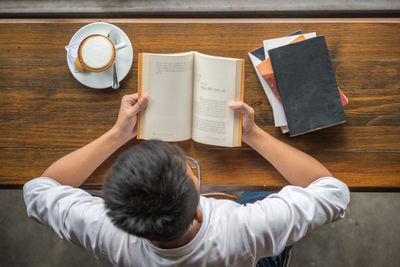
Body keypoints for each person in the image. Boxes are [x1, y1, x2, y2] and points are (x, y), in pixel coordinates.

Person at [23, 93, 350, 267]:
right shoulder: (247, 229)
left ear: (113, 210)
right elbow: (332, 192)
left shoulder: (103, 231)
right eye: (190, 169)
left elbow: (39, 190)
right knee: (268, 190)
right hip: (249, 257)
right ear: (198, 211)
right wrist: (253, 134)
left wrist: (116, 134)